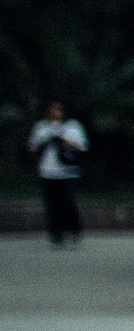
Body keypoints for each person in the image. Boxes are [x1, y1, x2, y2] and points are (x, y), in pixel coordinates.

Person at [26, 102, 87, 247]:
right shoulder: (41, 128)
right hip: (48, 172)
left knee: (68, 202)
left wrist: (65, 142)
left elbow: (82, 148)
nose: (55, 112)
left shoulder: (72, 127)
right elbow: (32, 147)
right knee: (52, 204)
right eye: (52, 109)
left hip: (67, 172)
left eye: (58, 109)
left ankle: (74, 230)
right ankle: (56, 233)